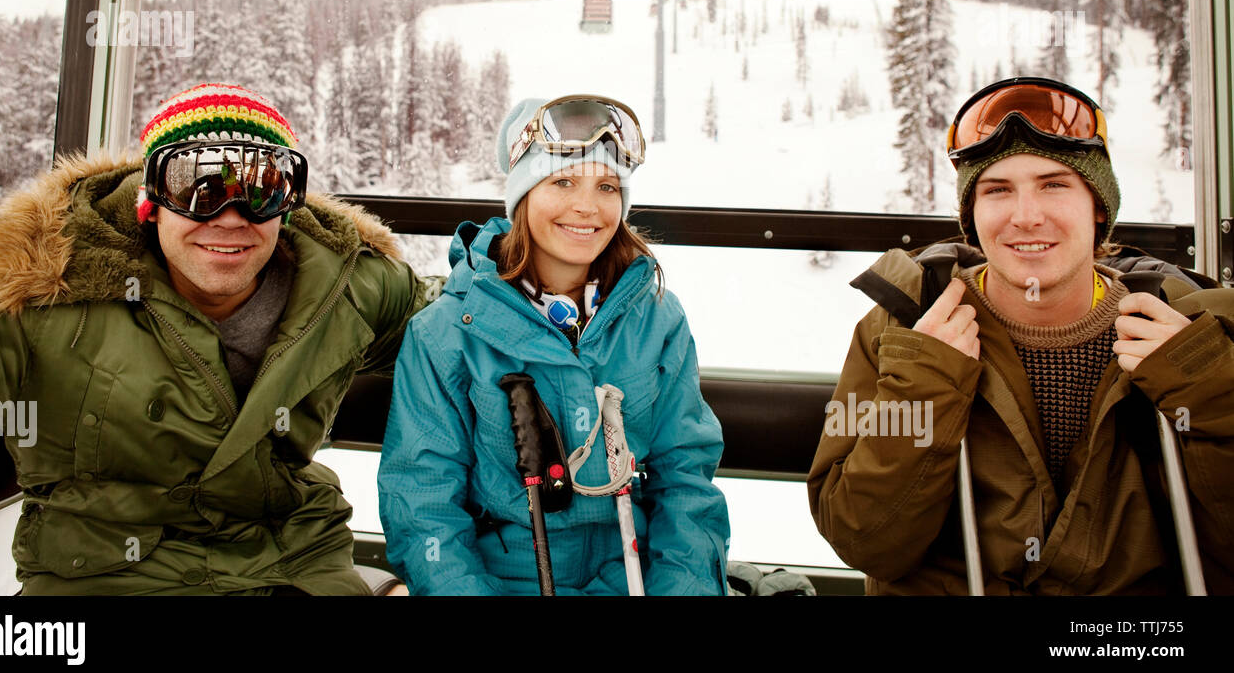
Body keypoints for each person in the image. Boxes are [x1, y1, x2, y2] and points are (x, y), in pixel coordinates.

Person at [0, 83, 439, 594]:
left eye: (263, 188)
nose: (231, 216)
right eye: (198, 187)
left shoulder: (342, 288)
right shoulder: (44, 289)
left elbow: (461, 322)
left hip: (292, 564)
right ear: (149, 202)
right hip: (104, 575)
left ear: (287, 207)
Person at [809, 77, 1234, 595]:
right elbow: (864, 540)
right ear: (972, 216)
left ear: (1098, 207)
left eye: (1054, 185)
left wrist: (1212, 393)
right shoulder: (903, 326)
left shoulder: (1190, 333)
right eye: (996, 190)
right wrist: (925, 388)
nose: (1026, 216)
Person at [379, 95, 729, 595]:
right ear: (523, 196)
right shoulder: (448, 333)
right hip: (509, 580)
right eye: (562, 182)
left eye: (607, 186)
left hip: (634, 576)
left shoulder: (655, 319)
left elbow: (686, 482)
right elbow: (423, 506)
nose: (587, 207)